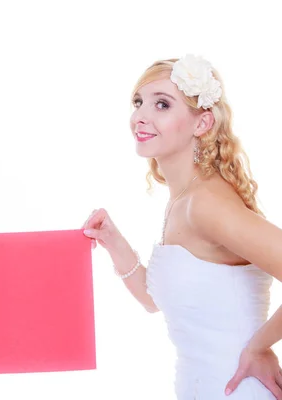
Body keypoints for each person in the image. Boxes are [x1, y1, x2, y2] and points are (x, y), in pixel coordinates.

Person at [83, 55, 282, 399]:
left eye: (161, 104)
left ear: (202, 124)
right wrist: (114, 243)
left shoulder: (205, 204)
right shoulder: (182, 200)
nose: (140, 116)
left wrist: (259, 348)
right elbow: (155, 301)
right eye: (138, 102)